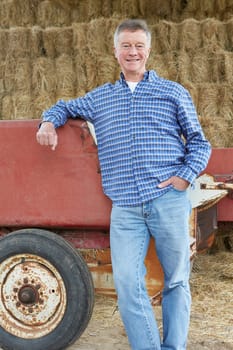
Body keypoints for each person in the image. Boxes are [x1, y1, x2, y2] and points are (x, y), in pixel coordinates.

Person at [36, 19, 211, 350]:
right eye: (126, 46)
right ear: (115, 51)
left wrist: (184, 177)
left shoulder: (173, 92)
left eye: (139, 45)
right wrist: (48, 122)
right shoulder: (101, 98)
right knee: (128, 284)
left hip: (167, 200)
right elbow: (64, 107)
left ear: (148, 50)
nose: (133, 52)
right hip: (126, 208)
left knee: (176, 281)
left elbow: (200, 144)